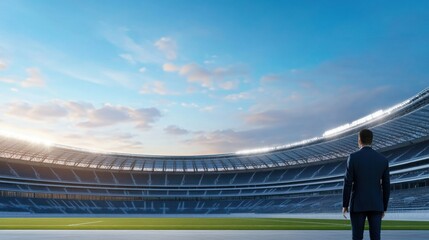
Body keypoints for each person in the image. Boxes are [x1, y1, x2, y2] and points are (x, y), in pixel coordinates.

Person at [342, 129, 390, 240]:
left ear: (359, 140)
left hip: (358, 204)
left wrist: (345, 205)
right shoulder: (383, 160)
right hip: (376, 204)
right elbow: (386, 185)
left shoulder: (353, 157)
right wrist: (384, 207)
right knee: (376, 237)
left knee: (357, 237)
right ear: (372, 140)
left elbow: (347, 183)